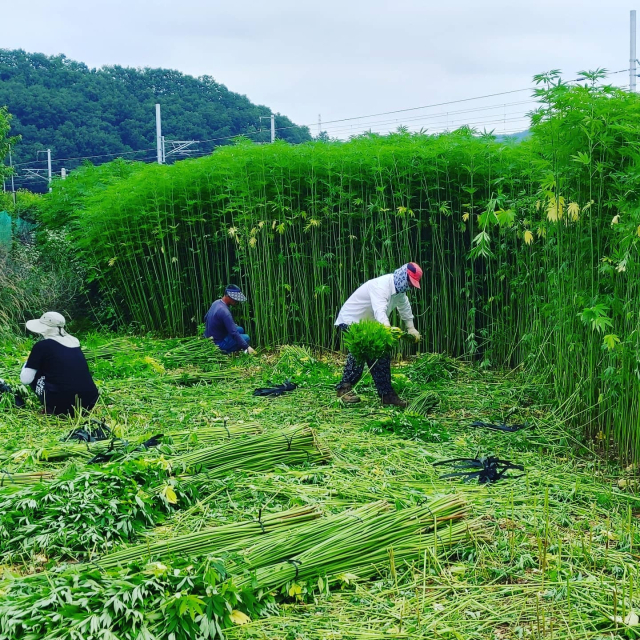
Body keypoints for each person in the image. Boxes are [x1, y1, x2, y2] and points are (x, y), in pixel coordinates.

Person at [335, 262, 423, 407]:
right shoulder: (381, 285)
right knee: (360, 351)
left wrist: (411, 328)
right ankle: (344, 389)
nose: (410, 286)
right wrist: (387, 329)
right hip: (352, 320)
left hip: (370, 325)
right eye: (409, 282)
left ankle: (386, 395)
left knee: (381, 354)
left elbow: (405, 308)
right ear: (402, 276)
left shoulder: (399, 292)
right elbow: (379, 310)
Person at [20, 311, 99, 416]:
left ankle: (51, 408)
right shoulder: (75, 342)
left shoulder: (41, 346)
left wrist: (28, 361)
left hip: (62, 406)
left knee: (32, 371)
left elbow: (25, 379)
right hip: (89, 402)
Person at [204, 285, 256, 355]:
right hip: (217, 342)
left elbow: (205, 317)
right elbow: (233, 333)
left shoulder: (216, 302)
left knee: (240, 329)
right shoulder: (224, 312)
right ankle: (222, 351)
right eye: (234, 298)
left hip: (211, 336)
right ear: (228, 296)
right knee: (246, 338)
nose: (236, 301)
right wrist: (247, 347)